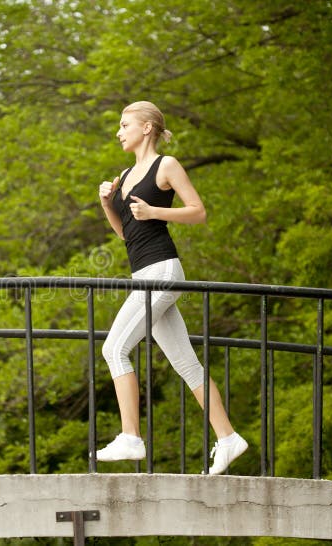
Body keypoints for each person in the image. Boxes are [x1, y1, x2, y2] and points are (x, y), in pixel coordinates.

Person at [96, 100, 247, 475]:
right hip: (143, 271)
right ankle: (228, 438)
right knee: (186, 363)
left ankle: (131, 436)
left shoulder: (167, 165)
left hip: (162, 270)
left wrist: (156, 212)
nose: (119, 132)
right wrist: (106, 204)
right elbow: (126, 235)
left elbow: (198, 211)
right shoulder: (126, 173)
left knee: (114, 349)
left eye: (124, 124)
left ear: (146, 128)